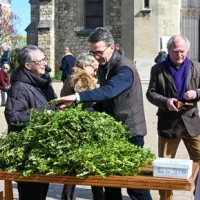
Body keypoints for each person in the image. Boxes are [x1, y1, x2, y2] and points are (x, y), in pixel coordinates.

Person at [57, 27, 152, 200]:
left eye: (99, 52)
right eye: (92, 53)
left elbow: (109, 91)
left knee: (134, 184)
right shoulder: (104, 65)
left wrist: (78, 97)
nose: (96, 57)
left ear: (112, 47)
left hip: (130, 132)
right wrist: (87, 112)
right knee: (109, 182)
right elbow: (105, 100)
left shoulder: (125, 68)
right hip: (112, 131)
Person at [146, 35, 200, 199]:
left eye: (182, 51)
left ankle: (198, 195)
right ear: (168, 50)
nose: (179, 55)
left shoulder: (196, 67)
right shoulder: (158, 69)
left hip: (191, 123)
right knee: (165, 165)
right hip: (168, 124)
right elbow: (150, 93)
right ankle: (166, 198)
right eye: (175, 51)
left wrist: (196, 93)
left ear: (187, 50)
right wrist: (166, 101)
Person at [4, 45, 57, 200]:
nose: (44, 64)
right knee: (30, 194)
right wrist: (43, 113)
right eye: (40, 61)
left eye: (44, 59)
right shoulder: (20, 86)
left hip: (42, 150)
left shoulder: (42, 82)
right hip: (28, 153)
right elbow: (13, 116)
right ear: (28, 65)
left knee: (41, 193)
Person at [60, 52, 104, 200]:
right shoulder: (82, 77)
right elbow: (90, 100)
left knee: (72, 166)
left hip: (72, 125)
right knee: (90, 163)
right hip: (83, 127)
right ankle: (98, 197)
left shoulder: (71, 76)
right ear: (85, 66)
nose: (95, 71)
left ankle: (67, 197)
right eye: (94, 68)